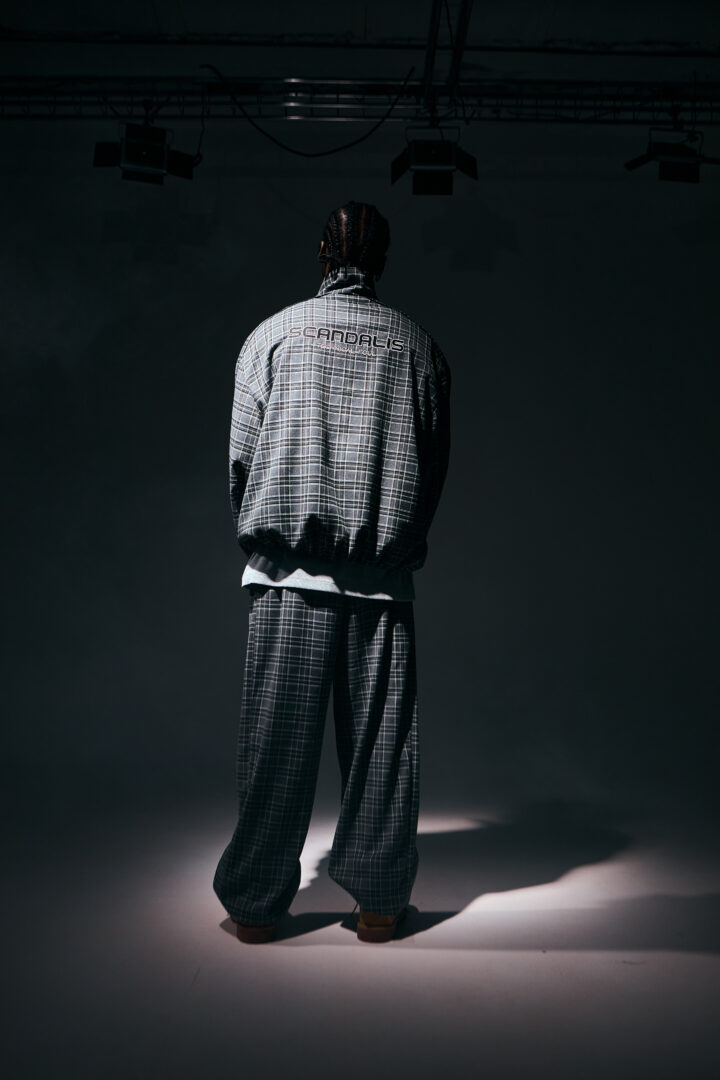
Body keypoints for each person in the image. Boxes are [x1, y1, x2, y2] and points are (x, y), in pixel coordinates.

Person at [213, 200, 451, 943]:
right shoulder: (418, 346)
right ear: (382, 261)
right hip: (383, 581)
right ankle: (378, 903)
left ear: (323, 254)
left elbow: (241, 459)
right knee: (382, 748)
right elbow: (433, 468)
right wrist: (399, 540)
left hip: (286, 575)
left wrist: (265, 535)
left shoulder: (272, 335)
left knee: (275, 749)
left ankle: (255, 906)